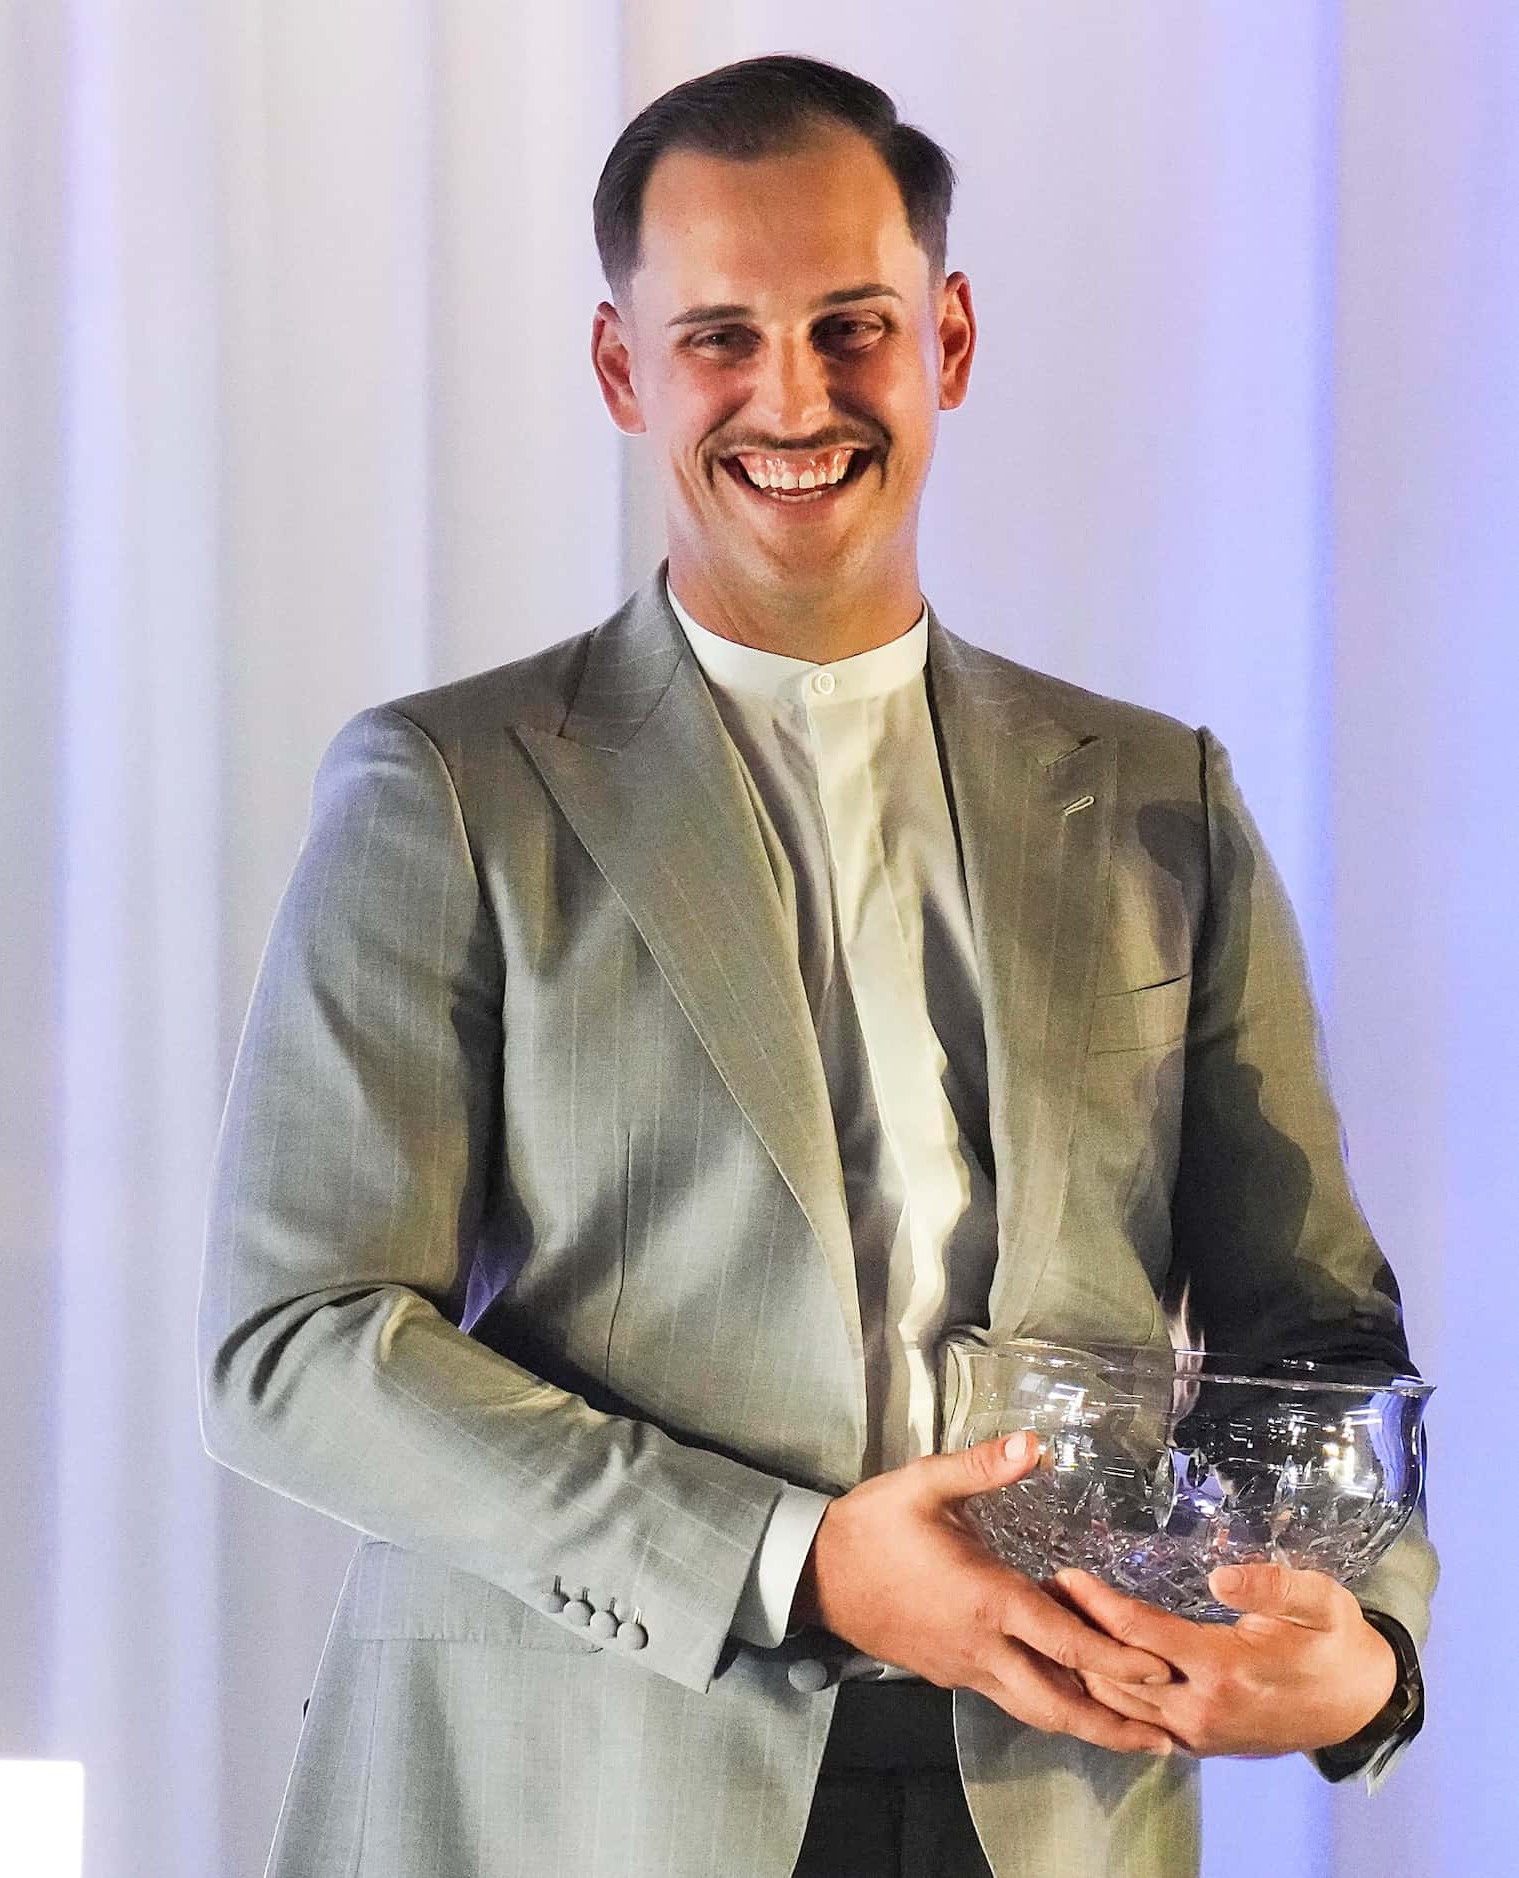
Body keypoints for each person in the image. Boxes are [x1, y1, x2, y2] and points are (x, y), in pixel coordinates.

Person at [197, 54, 1431, 1878]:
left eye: (852, 326)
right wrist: (794, 1554)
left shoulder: (1164, 792)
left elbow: (1314, 1329)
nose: (795, 396)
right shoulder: (450, 785)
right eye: (720, 337)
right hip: (582, 1790)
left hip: (1058, 1792)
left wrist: (1372, 1651)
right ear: (624, 369)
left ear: (950, 335)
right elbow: (292, 1346)